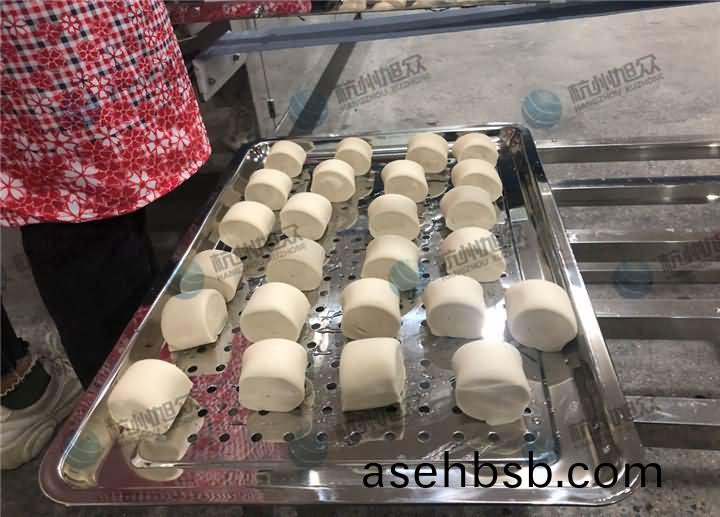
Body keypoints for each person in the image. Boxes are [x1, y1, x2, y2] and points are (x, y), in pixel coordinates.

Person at [0, 0, 210, 469]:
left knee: (102, 201)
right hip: (48, 47)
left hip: (67, 40)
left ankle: (139, 387)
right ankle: (130, 409)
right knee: (82, 208)